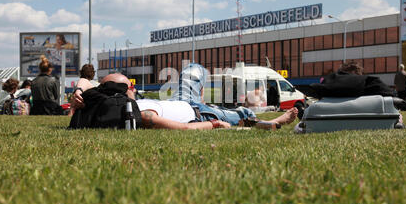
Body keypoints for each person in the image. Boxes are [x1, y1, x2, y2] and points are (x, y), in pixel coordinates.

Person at [72, 63, 298, 130]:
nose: (133, 86)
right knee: (241, 113)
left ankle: (201, 96)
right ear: (125, 91)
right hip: (198, 114)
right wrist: (212, 125)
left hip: (177, 101)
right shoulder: (139, 114)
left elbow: (82, 80)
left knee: (194, 68)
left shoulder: (102, 102)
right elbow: (184, 129)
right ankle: (274, 122)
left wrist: (79, 92)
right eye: (129, 84)